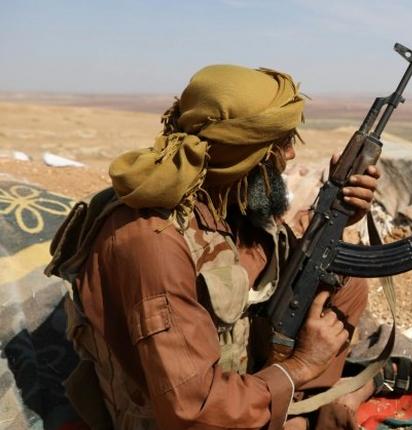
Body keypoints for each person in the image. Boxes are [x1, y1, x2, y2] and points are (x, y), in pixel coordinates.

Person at [51, 65, 380, 429]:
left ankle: (301, 406)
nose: (289, 156)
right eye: (280, 144)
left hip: (227, 373)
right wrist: (300, 366)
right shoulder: (153, 243)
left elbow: (255, 258)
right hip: (179, 413)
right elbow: (191, 407)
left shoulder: (217, 193)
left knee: (342, 280)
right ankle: (300, 413)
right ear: (240, 153)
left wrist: (332, 219)